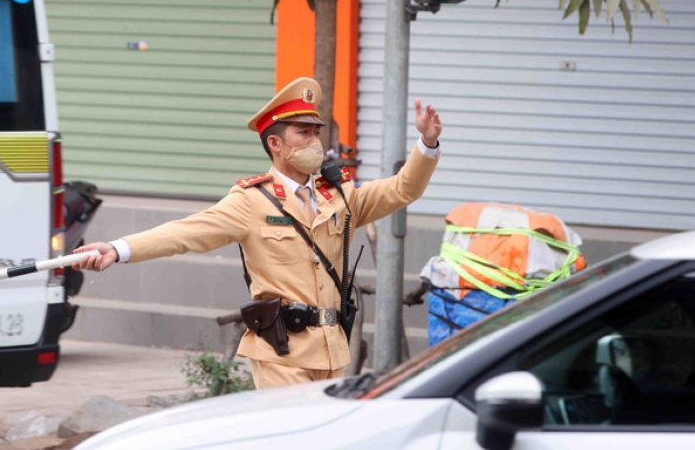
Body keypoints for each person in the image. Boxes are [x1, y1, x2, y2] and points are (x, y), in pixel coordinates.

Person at [75, 77, 442, 389]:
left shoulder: (339, 195)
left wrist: (426, 145)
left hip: (332, 349)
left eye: (316, 132)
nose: (314, 141)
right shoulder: (252, 200)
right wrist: (118, 248)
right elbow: (187, 231)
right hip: (281, 351)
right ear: (275, 144)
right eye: (303, 132)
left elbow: (402, 190)